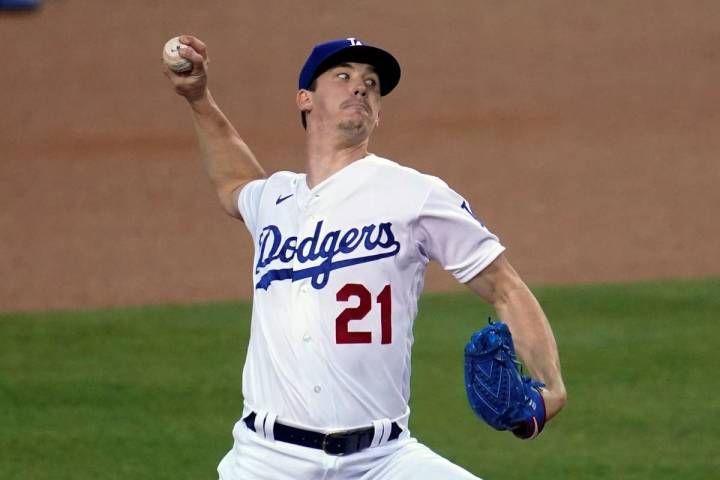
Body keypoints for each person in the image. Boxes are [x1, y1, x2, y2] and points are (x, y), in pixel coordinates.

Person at [163, 35, 566, 480]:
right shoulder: (273, 200)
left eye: (371, 84)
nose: (361, 87)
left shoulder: (414, 194)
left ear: (378, 111)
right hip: (265, 461)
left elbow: (504, 286)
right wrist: (198, 98)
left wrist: (551, 387)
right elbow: (234, 184)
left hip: (384, 460)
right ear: (305, 99)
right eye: (343, 76)